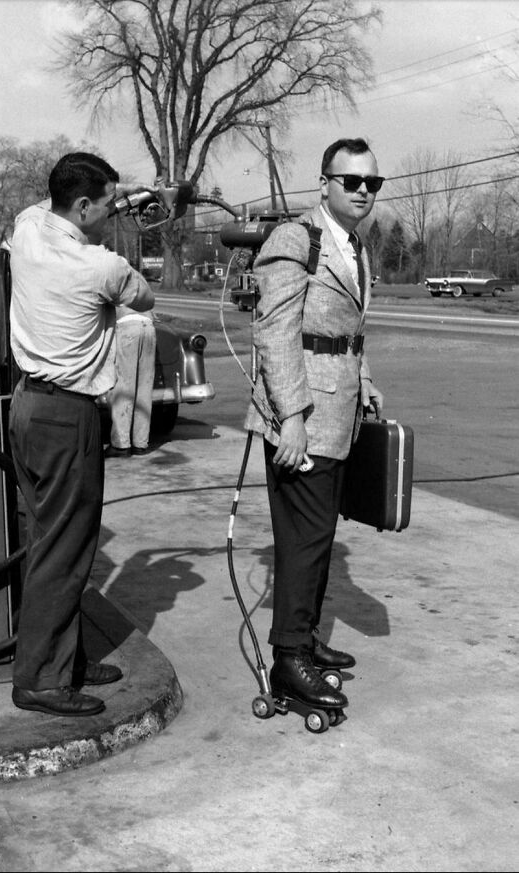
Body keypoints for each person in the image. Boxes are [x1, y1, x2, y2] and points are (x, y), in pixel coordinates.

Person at [8, 152, 155, 717]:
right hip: (68, 417)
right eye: (109, 203)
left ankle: (62, 659)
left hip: (26, 406)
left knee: (47, 540)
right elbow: (143, 296)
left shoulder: (26, 228)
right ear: (85, 205)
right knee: (65, 552)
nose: (116, 210)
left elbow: (49, 208)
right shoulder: (102, 267)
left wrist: (127, 195)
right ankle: (41, 680)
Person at [245, 137, 385, 711]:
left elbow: (345, 329)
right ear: (324, 181)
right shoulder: (294, 238)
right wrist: (292, 419)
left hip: (339, 412)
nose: (362, 192)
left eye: (371, 184)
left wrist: (367, 380)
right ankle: (288, 661)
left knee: (321, 537)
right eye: (351, 181)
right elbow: (275, 332)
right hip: (303, 415)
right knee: (302, 543)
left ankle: (305, 640)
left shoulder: (352, 244)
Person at [105, 304, 157, 457]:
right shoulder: (140, 281)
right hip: (148, 325)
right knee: (145, 386)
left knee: (124, 386)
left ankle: (121, 444)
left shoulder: (118, 280)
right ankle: (140, 443)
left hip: (127, 325)